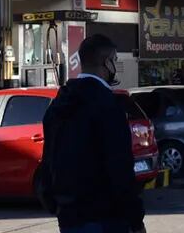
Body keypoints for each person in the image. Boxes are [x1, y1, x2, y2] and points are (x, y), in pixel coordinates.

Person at [41, 34, 145, 233]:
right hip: (105, 216)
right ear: (107, 62)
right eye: (114, 60)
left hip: (69, 216)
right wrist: (135, 218)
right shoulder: (108, 105)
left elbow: (49, 157)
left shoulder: (59, 104)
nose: (115, 65)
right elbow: (119, 166)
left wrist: (53, 202)